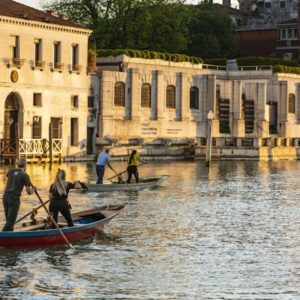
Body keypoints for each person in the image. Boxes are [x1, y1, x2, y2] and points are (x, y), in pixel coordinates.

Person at [2, 158, 35, 231]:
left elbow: (12, 176)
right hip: (14, 199)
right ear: (25, 166)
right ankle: (2, 237)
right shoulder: (25, 175)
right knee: (10, 222)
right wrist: (34, 190)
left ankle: (9, 238)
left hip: (5, 197)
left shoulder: (11, 171)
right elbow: (29, 192)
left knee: (9, 221)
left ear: (17, 164)